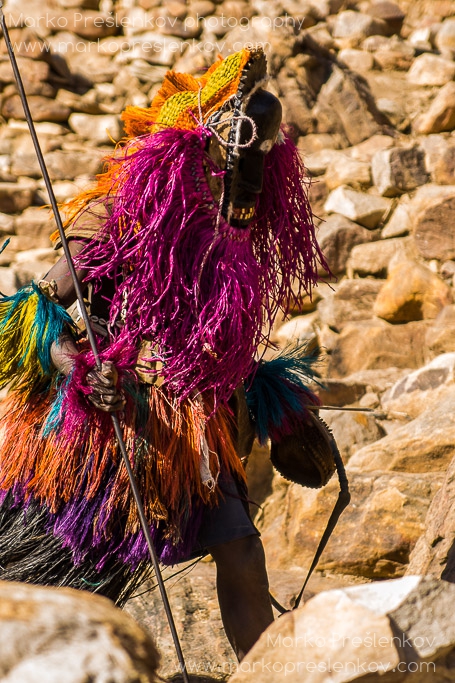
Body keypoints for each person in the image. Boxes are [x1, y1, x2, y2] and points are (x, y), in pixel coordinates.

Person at [0, 47, 328, 660]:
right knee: (69, 566)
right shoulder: (119, 212)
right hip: (107, 424)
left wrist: (283, 407)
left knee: (241, 547)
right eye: (232, 160)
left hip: (197, 429)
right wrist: (79, 370)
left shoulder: (234, 228)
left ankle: (265, 673)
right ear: (197, 147)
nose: (237, 180)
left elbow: (209, 346)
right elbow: (33, 310)